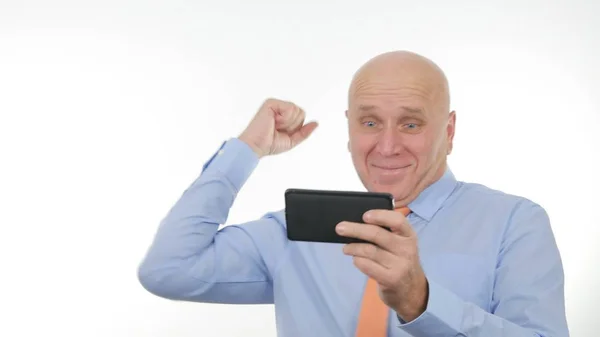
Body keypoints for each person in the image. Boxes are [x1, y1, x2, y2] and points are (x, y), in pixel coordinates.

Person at [137, 50, 569, 337]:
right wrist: (246, 150)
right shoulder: (293, 232)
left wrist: (422, 302)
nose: (386, 145)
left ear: (449, 131)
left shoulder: (516, 223)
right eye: (369, 123)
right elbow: (169, 268)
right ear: (348, 129)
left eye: (411, 124)